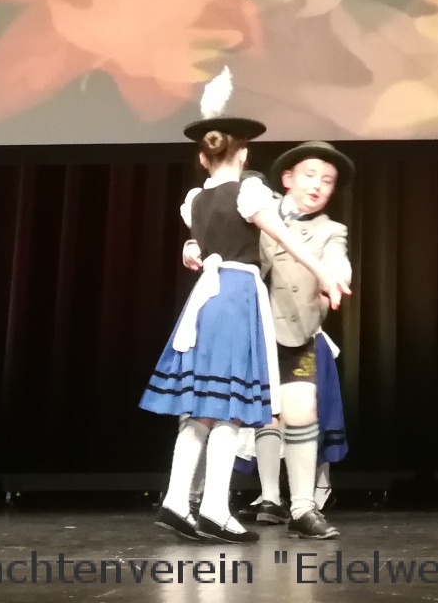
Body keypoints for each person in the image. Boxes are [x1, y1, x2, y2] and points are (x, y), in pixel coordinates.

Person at [139, 72, 350, 543]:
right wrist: (323, 271)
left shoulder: (194, 198)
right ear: (245, 154)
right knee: (230, 406)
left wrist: (192, 247)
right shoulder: (249, 192)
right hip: (236, 294)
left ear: (202, 156)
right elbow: (284, 237)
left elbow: (202, 238)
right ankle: (213, 508)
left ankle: (179, 500)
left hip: (206, 298)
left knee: (205, 406)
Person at [235, 139, 353, 540]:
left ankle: (303, 506)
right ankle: (269, 498)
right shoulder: (256, 209)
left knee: (301, 408)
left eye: (328, 180)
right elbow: (222, 237)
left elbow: (338, 262)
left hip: (295, 331)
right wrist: (194, 243)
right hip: (249, 327)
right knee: (262, 414)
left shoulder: (330, 230)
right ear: (287, 178)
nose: (317, 185)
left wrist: (335, 278)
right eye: (310, 175)